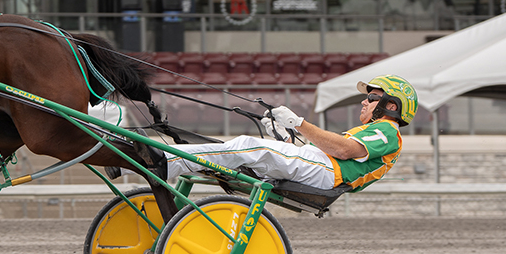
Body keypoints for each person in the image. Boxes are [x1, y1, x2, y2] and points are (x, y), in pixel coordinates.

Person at [114, 75, 417, 193]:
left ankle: (160, 160)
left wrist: (299, 123)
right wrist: (284, 135)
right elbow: (316, 153)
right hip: (323, 166)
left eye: (372, 98)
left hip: (330, 173)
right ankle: (149, 160)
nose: (365, 101)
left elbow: (345, 152)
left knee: (247, 146)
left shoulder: (388, 132)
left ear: (391, 106)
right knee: (249, 148)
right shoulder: (370, 129)